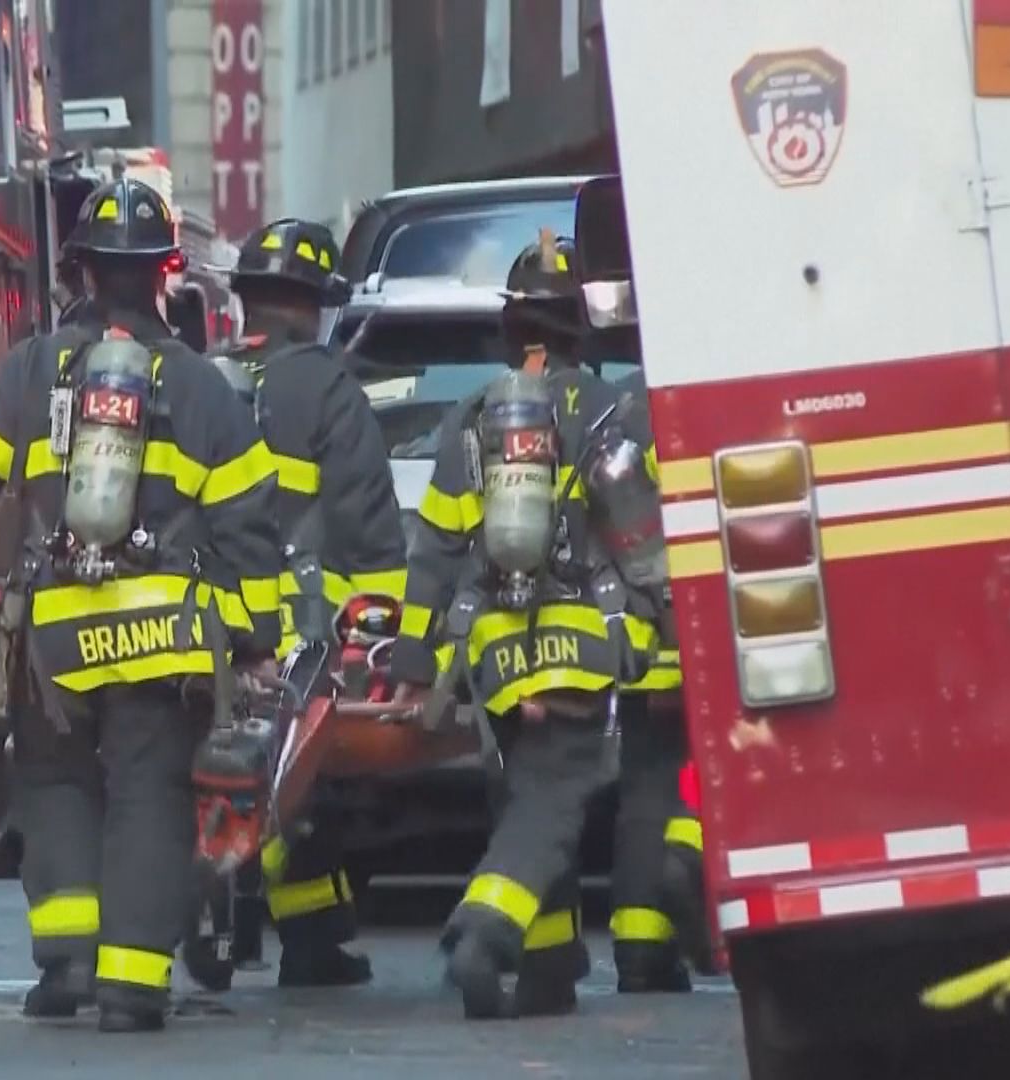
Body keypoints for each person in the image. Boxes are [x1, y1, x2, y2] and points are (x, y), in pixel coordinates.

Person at [0, 178, 285, 1033]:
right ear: (167, 271)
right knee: (148, 794)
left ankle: (68, 965)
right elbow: (248, 524)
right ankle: (130, 984)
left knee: (52, 783)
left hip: (53, 637)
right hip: (163, 641)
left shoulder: (30, 370)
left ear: (80, 270)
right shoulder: (202, 387)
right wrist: (253, 635)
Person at [386, 232, 651, 1020]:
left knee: (524, 794)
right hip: (580, 639)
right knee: (555, 801)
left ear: (510, 329)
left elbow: (434, 549)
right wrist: (663, 625)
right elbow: (641, 539)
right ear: (579, 328)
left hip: (496, 647)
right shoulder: (611, 412)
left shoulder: (469, 419)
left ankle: (547, 973)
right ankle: (486, 932)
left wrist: (411, 656)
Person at [200, 218, 406, 988]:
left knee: (242, 778)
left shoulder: (203, 380)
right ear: (319, 306)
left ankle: (308, 934)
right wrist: (384, 633)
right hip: (302, 635)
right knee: (298, 781)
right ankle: (286, 931)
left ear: (247, 300)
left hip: (200, 624)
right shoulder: (328, 390)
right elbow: (367, 528)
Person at [597, 364, 714, 993]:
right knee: (710, 765)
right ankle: (687, 853)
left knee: (644, 790)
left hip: (639, 643)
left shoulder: (625, 413)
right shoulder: (706, 398)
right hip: (699, 633)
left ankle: (641, 953)